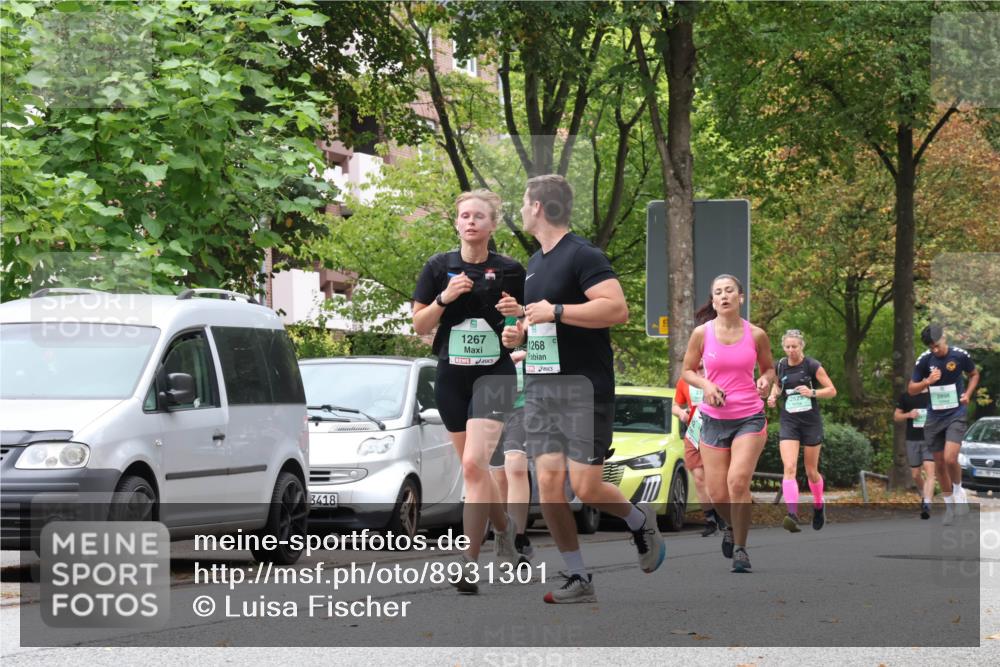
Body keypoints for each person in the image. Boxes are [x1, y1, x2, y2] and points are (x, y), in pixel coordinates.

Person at [501, 174, 664, 604]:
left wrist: (554, 310)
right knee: (549, 486)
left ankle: (638, 521)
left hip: (584, 388)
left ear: (538, 206)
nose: (520, 209)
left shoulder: (583, 254)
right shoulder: (534, 264)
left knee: (587, 487)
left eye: (523, 202)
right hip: (541, 388)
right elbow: (538, 321)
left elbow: (617, 309)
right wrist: (519, 333)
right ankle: (578, 577)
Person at [412, 189, 526, 594]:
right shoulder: (438, 266)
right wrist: (445, 297)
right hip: (451, 376)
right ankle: (505, 530)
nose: (471, 221)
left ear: (492, 225)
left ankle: (468, 562)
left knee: (476, 464)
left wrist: (516, 328)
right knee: (474, 470)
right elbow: (421, 326)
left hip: (494, 374)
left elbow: (522, 327)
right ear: (457, 224)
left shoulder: (511, 270)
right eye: (465, 216)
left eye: (480, 216)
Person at [681, 274, 775, 573]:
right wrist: (706, 386)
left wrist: (764, 380)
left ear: (740, 297)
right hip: (713, 419)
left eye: (729, 291)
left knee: (737, 483)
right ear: (713, 300)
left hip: (748, 416)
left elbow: (770, 369)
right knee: (717, 492)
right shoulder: (701, 334)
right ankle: (732, 527)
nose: (723, 296)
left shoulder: (756, 334)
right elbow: (687, 371)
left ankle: (741, 549)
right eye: (717, 292)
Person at [766, 329, 837, 533]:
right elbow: (778, 386)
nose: (791, 351)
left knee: (811, 471)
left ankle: (818, 504)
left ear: (801, 346)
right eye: (787, 347)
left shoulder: (812, 365)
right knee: (789, 467)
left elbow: (832, 390)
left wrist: (812, 392)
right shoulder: (780, 364)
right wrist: (773, 397)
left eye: (794, 347)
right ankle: (792, 514)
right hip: (789, 421)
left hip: (810, 422)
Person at [908, 323, 979, 526]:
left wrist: (968, 394)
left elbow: (974, 374)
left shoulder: (959, 355)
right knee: (939, 464)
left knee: (950, 459)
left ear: (944, 338)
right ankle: (949, 507)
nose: (935, 350)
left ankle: (958, 492)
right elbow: (911, 389)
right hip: (934, 417)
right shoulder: (924, 360)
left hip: (956, 413)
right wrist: (927, 382)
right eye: (931, 347)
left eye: (937, 345)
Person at [489, 349, 534, 564]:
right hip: (491, 401)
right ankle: (505, 534)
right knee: (498, 476)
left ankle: (518, 537)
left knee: (515, 464)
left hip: (525, 403)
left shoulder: (534, 318)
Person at [673, 368, 726, 536]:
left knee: (716, 478)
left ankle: (723, 517)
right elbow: (675, 405)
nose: (699, 363)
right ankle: (710, 519)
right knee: (699, 478)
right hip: (694, 428)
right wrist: (681, 413)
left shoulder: (717, 375)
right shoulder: (685, 380)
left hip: (715, 428)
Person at [894, 387, 933, 519]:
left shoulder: (935, 394)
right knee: (915, 474)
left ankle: (927, 503)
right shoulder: (906, 396)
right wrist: (909, 415)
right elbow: (896, 416)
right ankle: (924, 495)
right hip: (913, 439)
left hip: (931, 439)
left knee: (930, 472)